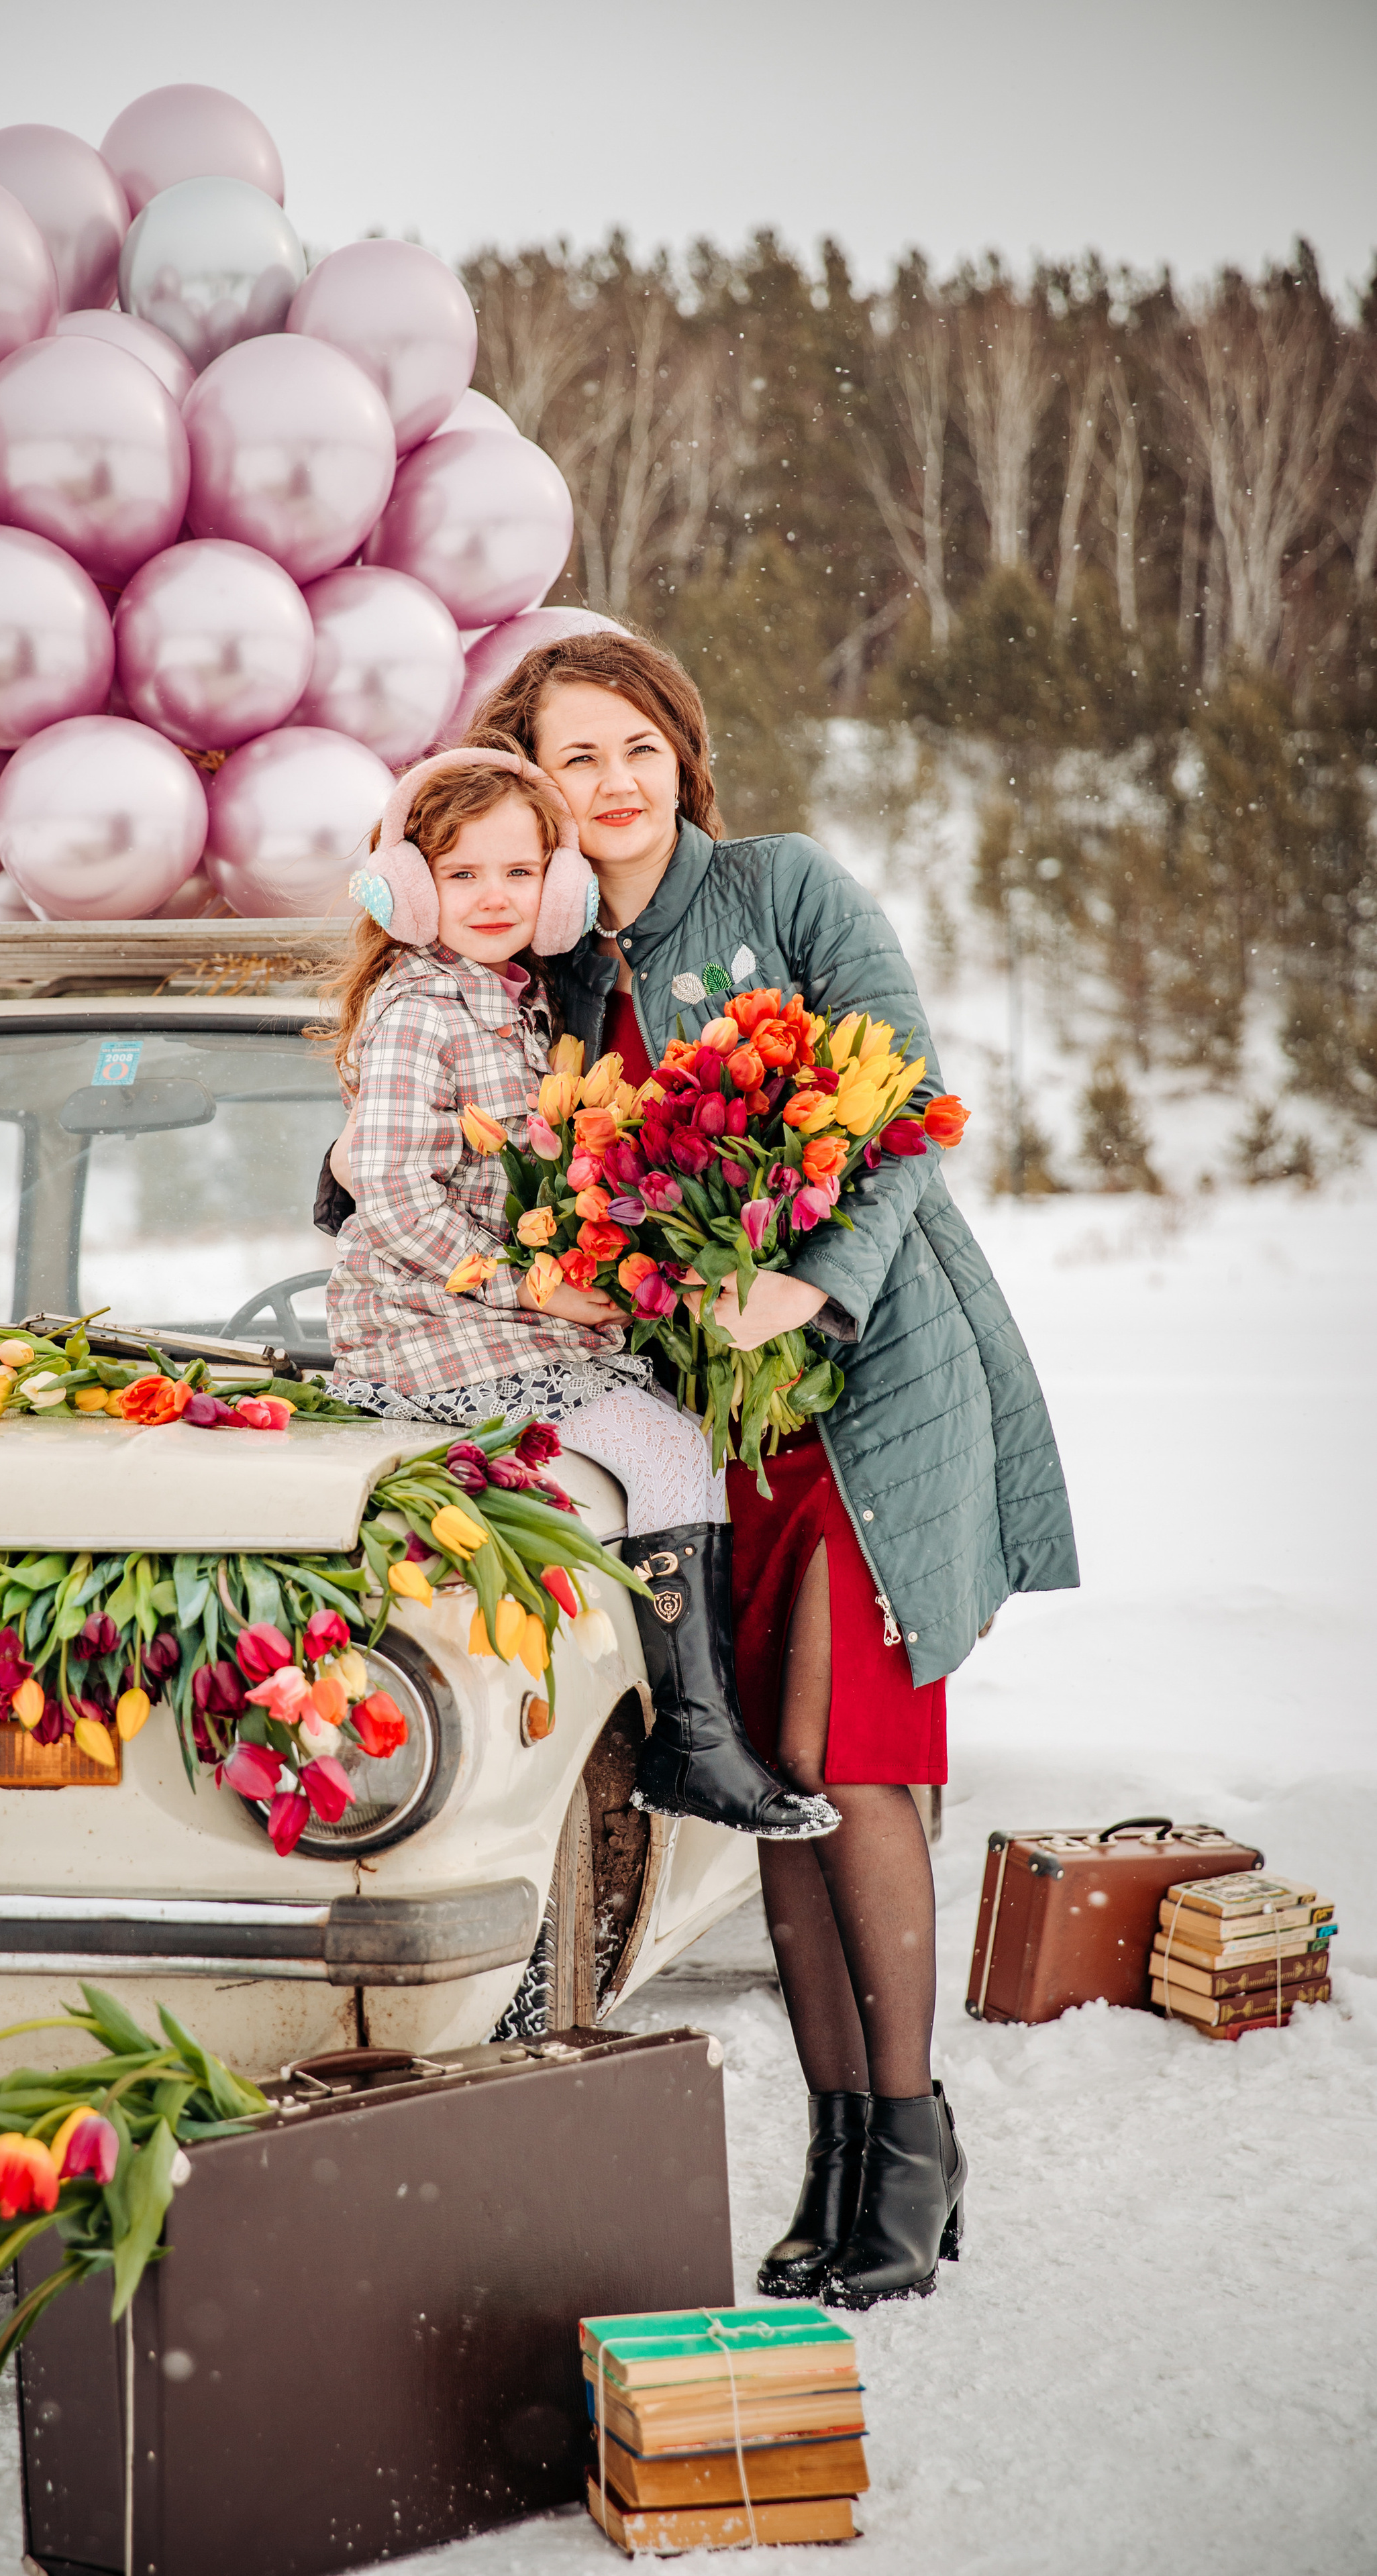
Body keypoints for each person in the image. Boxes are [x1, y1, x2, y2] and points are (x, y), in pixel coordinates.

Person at [460, 629, 1078, 2309]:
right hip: (702, 1426)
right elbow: (533, 1172)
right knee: (777, 1800)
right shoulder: (555, 972)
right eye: (574, 760)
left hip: (866, 1392)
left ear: (681, 751)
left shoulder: (788, 892)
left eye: (634, 747)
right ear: (539, 788)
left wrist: (803, 1282)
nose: (611, 785)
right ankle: (837, 2151)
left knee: (849, 1763)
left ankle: (911, 2135)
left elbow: (903, 1101)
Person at [323, 743, 838, 1844]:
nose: (495, 897)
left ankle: (699, 1725)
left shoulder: (505, 998)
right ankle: (693, 1740)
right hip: (436, 1329)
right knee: (661, 1451)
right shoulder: (422, 1005)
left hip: (499, 1317)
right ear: (410, 887)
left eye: (520, 873)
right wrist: (535, 1291)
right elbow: (390, 1196)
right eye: (462, 876)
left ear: (559, 888)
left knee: (672, 1438)